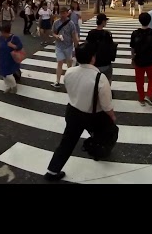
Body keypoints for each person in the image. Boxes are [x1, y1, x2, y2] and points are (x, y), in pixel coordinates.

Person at [45, 42, 115, 181]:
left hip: (73, 112)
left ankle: (52, 171)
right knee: (106, 134)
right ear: (93, 58)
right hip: (93, 115)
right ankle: (97, 152)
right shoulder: (100, 78)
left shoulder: (69, 72)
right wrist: (112, 116)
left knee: (67, 142)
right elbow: (106, 105)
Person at [130, 12, 152, 106]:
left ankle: (141, 99)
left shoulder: (135, 33)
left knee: (139, 80)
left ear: (140, 21)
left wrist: (132, 58)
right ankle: (148, 94)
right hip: (151, 60)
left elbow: (133, 48)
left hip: (139, 60)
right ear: (149, 21)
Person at [52, 7, 79, 89]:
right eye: (61, 13)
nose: (62, 15)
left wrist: (76, 46)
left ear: (67, 13)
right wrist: (56, 36)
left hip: (68, 46)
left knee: (69, 64)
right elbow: (53, 32)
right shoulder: (56, 22)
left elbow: (74, 35)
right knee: (59, 62)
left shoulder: (71, 23)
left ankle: (70, 80)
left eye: (64, 13)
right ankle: (57, 81)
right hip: (59, 45)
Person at [86, 13, 115, 83]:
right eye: (105, 21)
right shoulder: (107, 34)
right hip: (105, 62)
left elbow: (87, 46)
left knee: (94, 81)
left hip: (93, 63)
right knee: (107, 81)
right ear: (103, 22)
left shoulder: (91, 33)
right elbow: (110, 47)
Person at [0, 23, 23, 93]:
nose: (1, 33)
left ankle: (14, 86)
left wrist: (13, 46)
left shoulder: (14, 38)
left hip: (10, 59)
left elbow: (20, 46)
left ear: (6, 32)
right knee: (3, 74)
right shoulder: (2, 37)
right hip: (2, 58)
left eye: (2, 32)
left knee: (8, 74)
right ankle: (8, 86)